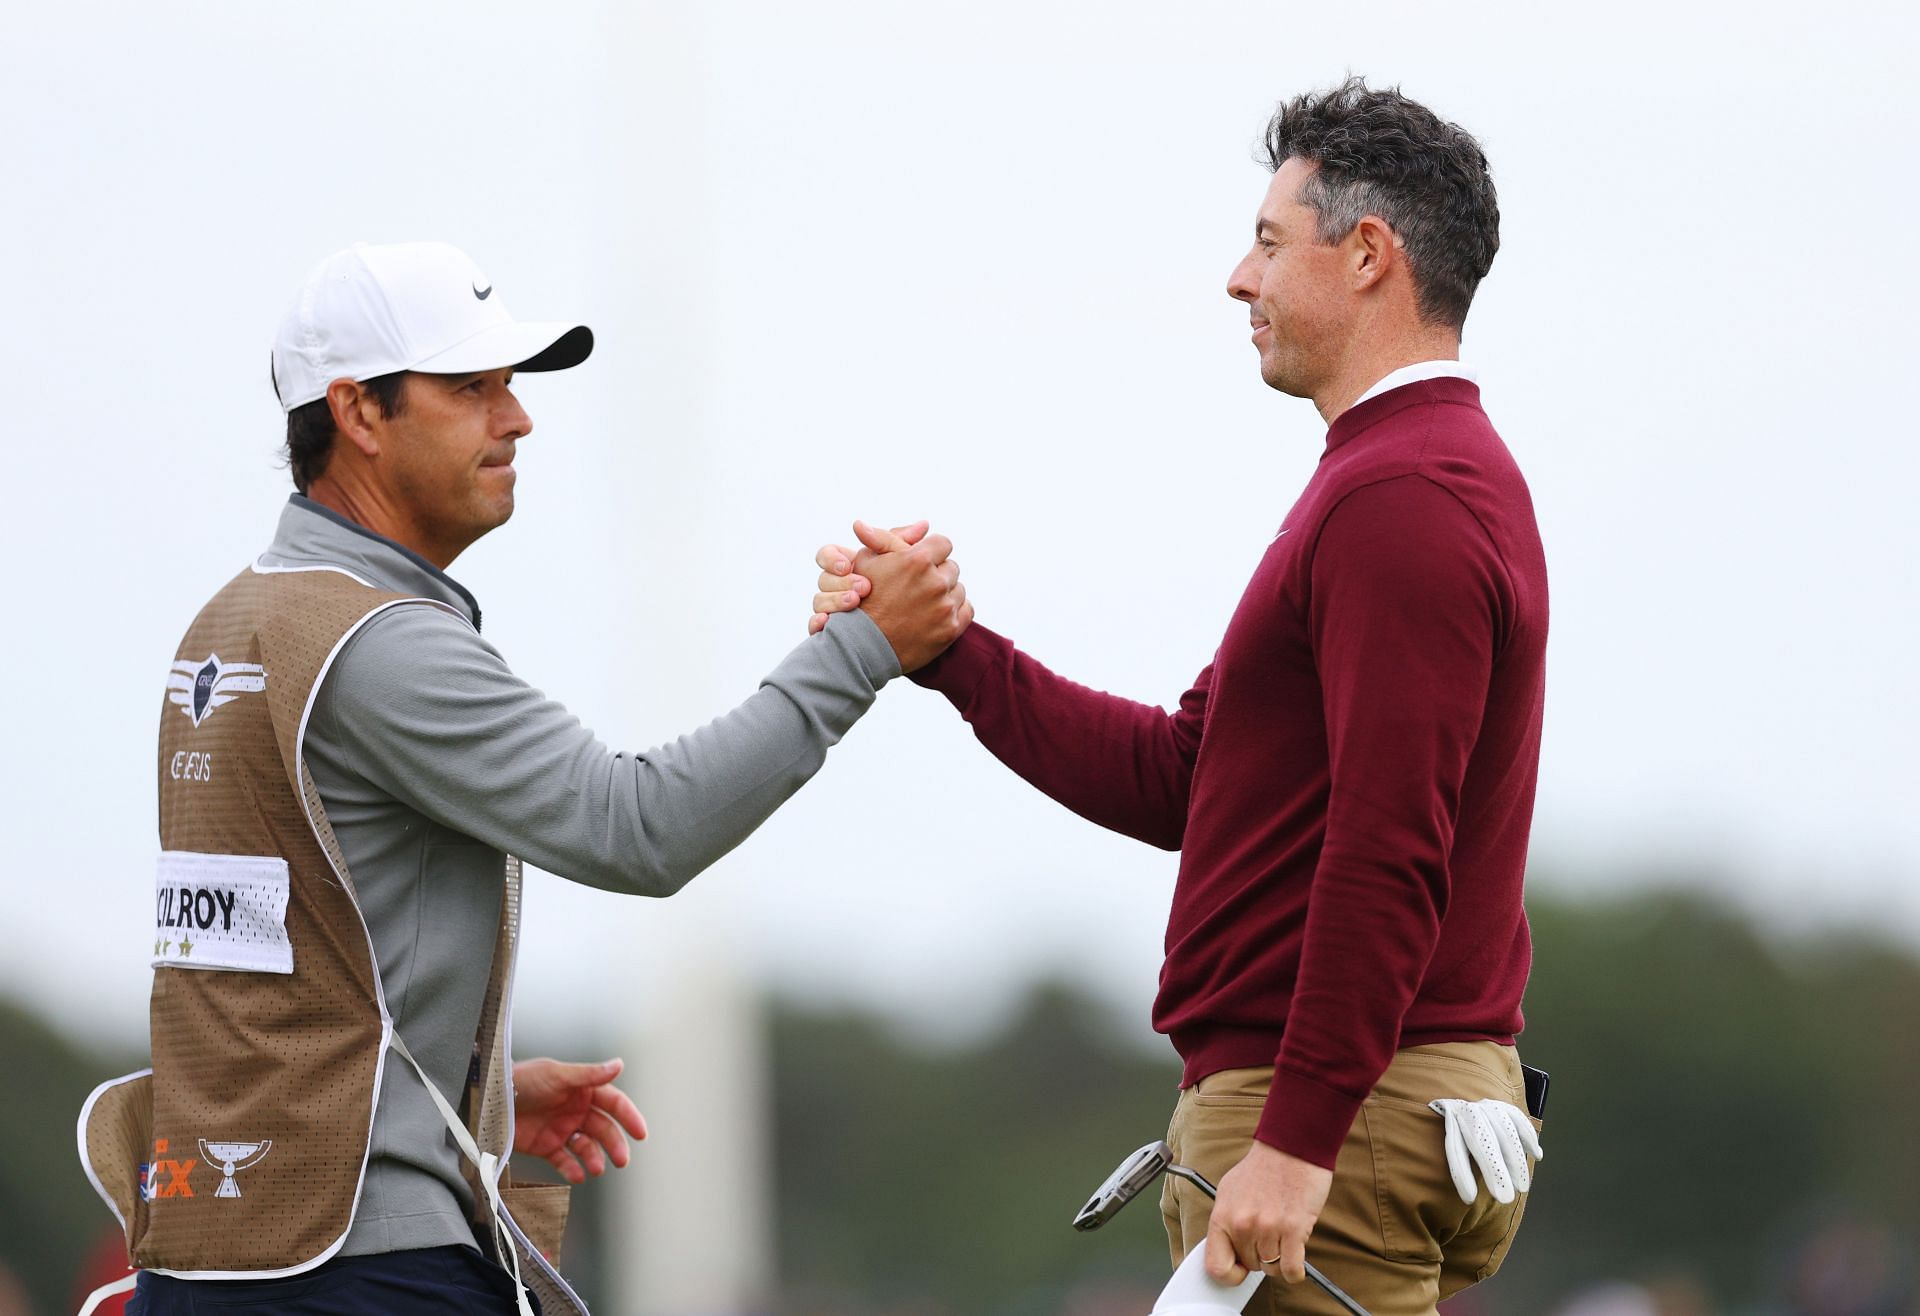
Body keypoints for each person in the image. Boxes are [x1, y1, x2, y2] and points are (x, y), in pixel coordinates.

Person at [77, 240, 971, 1316]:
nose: (517, 417)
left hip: (208, 1264)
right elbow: (638, 825)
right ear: (358, 412)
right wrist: (864, 648)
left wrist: (477, 1091)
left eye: (510, 385)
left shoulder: (227, 623)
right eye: (470, 388)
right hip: (361, 1275)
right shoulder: (379, 643)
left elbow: (276, 990)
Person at [811, 79, 1547, 1314]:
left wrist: (1302, 1134)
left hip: (1339, 1113)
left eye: (1268, 241)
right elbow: (1187, 778)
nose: (1238, 279)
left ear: (1368, 255)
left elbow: (1387, 849)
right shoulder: (1397, 477)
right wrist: (947, 650)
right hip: (1356, 1101)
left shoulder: (1399, 496)